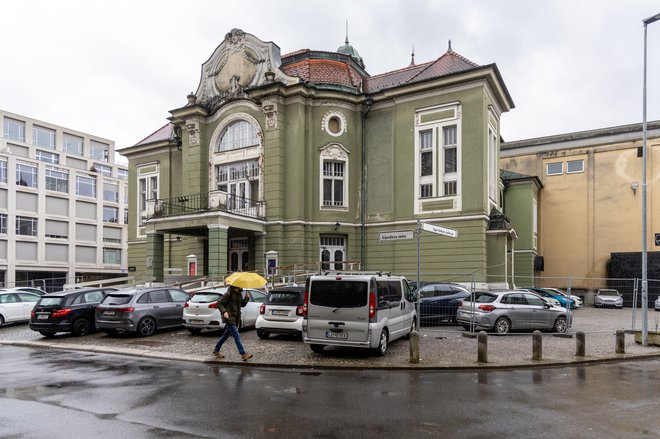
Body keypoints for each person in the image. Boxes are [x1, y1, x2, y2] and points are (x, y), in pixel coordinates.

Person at [213, 285, 253, 361]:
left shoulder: (239, 294)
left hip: (236, 317)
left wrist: (246, 298)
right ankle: (243, 354)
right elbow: (219, 303)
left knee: (226, 335)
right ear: (236, 286)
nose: (242, 287)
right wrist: (224, 311)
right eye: (240, 286)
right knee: (236, 334)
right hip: (229, 317)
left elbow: (242, 305)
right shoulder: (228, 294)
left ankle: (216, 350)